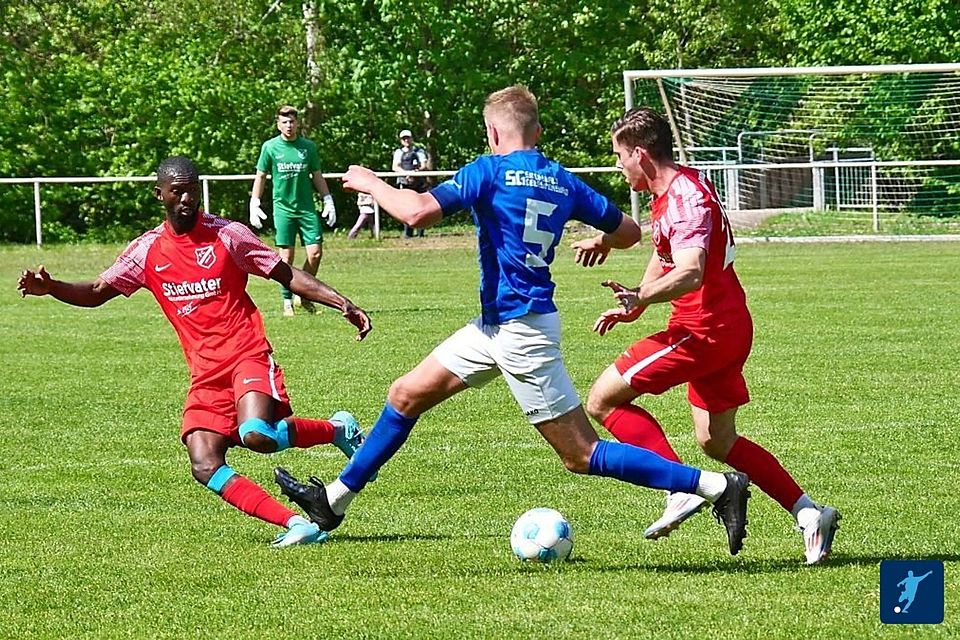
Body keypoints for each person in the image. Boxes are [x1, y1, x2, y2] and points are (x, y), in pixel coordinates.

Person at [274, 86, 752, 556]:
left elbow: (417, 213)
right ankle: (333, 503)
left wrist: (373, 183)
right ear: (538, 132)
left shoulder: (489, 170)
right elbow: (629, 231)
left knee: (580, 454)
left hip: (523, 332)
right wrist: (604, 241)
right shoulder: (561, 179)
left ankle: (712, 485)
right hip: (494, 327)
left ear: (491, 132)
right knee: (406, 394)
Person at [18, 156, 373, 548]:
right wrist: (53, 288)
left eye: (192, 188)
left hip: (246, 355)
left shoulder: (229, 236)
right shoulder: (147, 251)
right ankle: (296, 524)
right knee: (204, 462)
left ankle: (338, 429)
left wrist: (343, 302)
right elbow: (98, 292)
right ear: (161, 195)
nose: (188, 197)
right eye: (178, 190)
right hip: (206, 373)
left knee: (256, 435)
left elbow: (285, 273)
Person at [577, 107, 840, 565]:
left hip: (702, 331)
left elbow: (691, 271)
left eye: (620, 156)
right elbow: (666, 253)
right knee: (717, 441)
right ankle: (809, 512)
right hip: (726, 328)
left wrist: (642, 294)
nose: (618, 166)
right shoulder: (674, 190)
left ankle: (681, 488)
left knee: (601, 401)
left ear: (641, 153)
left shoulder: (683, 198)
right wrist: (638, 301)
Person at [249, 105, 337, 316]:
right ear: (278, 124)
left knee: (315, 254)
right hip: (283, 210)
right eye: (284, 121)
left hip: (306, 209)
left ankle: (304, 294)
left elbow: (316, 174)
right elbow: (261, 176)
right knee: (285, 258)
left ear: (298, 123)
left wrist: (328, 199)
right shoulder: (270, 147)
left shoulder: (308, 147)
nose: (289, 125)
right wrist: (255, 202)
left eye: (292, 121)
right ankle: (287, 301)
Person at [392, 128, 430, 238]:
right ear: (401, 140)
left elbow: (424, 165)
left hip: (419, 182)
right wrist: (406, 174)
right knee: (406, 208)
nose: (406, 140)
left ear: (412, 138)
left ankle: (420, 232)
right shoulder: (398, 152)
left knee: (422, 207)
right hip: (405, 183)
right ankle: (407, 232)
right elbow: (395, 167)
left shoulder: (419, 151)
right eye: (404, 138)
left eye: (408, 138)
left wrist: (415, 173)